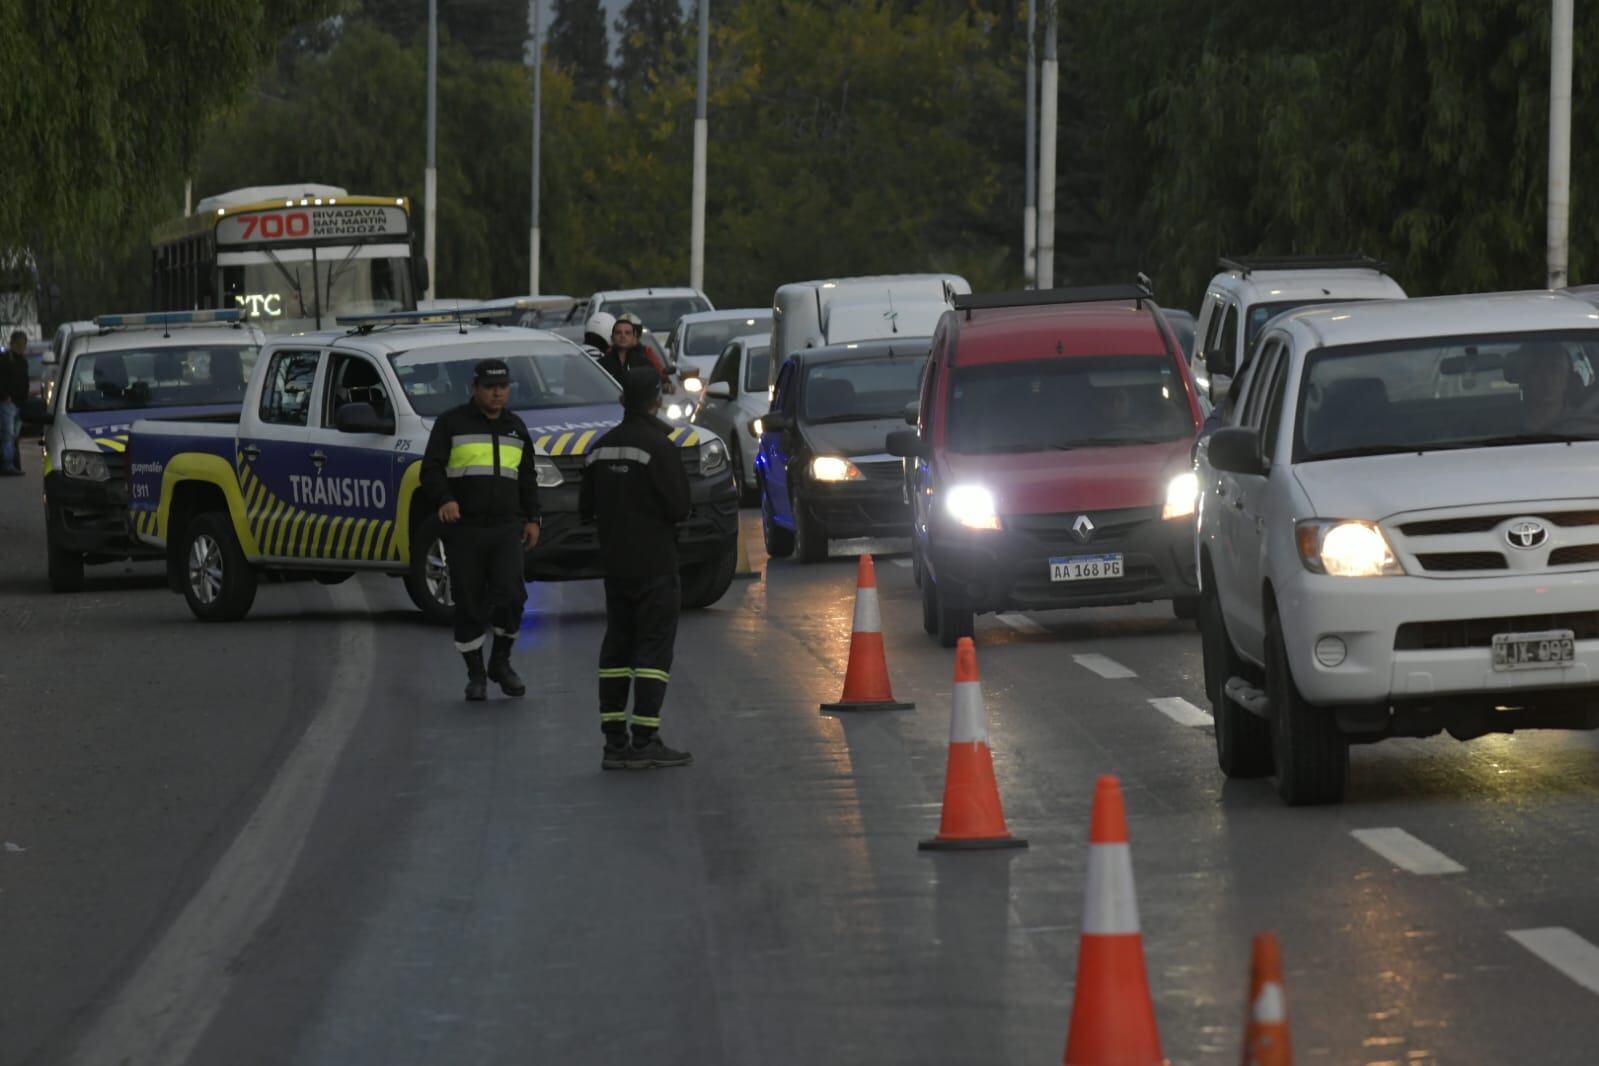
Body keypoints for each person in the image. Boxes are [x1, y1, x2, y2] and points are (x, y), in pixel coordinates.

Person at [580, 367, 693, 770]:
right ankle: (645, 739)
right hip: (656, 564)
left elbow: (584, 508)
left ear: (622, 401)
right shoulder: (660, 447)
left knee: (617, 646)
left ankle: (615, 741)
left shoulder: (600, 448)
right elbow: (679, 506)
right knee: (653, 649)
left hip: (616, 567)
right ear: (656, 401)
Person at [420, 358, 542, 701]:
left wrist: (533, 518)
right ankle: (475, 674)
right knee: (469, 602)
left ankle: (500, 662)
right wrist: (444, 499)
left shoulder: (516, 428)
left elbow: (528, 478)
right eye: (490, 387)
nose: (497, 393)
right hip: (465, 529)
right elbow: (431, 469)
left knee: (513, 597)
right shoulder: (451, 424)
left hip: (506, 528)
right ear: (475, 389)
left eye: (503, 387)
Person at [597, 312, 670, 390]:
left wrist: (666, 383)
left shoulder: (646, 356)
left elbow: (658, 375)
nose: (623, 336)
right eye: (618, 332)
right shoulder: (605, 360)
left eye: (628, 333)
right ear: (613, 336)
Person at [1510, 342, 1572, 432]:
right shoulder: (1504, 427)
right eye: (1536, 370)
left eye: (1554, 370)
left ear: (1566, 379)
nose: (1546, 379)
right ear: (1524, 379)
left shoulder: (1584, 425)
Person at [0, 331, 28, 476]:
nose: (22, 347)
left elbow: (24, 382)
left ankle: (13, 464)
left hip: (19, 403)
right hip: (8, 403)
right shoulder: (5, 359)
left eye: (24, 344)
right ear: (13, 344)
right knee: (8, 435)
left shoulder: (22, 361)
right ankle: (7, 464)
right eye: (20, 344)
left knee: (13, 436)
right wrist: (5, 396)